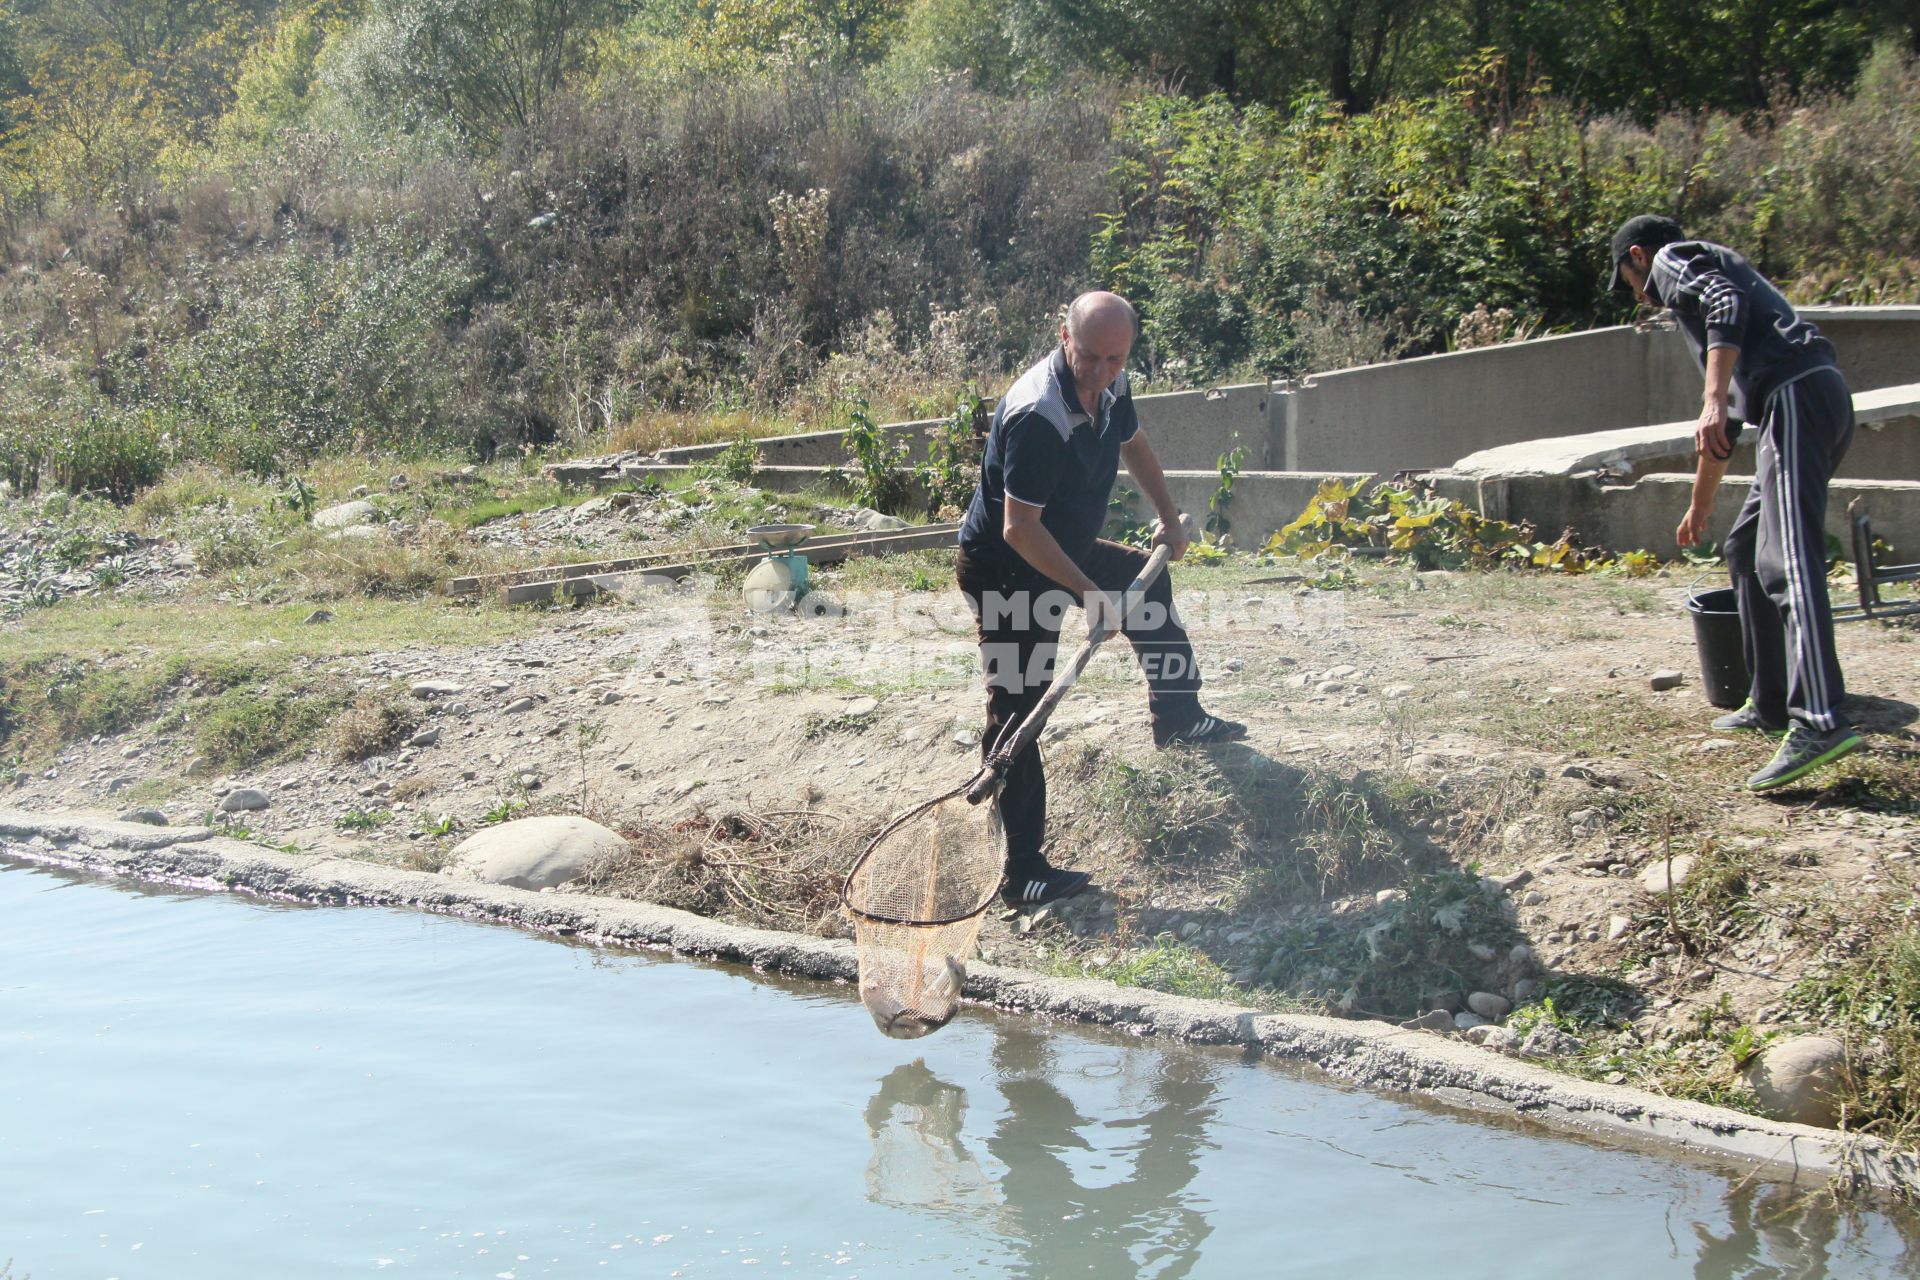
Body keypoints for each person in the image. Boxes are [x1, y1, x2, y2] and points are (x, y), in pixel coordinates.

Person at [955, 290, 1244, 908]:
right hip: (1007, 569)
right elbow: (1019, 530)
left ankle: (1179, 716)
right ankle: (1020, 871)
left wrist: (1169, 518)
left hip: (1062, 543)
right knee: (1020, 706)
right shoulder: (1039, 415)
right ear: (1065, 337)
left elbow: (1134, 445)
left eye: (1115, 360)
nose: (1101, 372)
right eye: (1090, 357)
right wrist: (1091, 595)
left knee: (1145, 581)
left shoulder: (1113, 387)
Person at [1609, 214, 1864, 791]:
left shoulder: (1676, 262)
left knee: (1787, 559)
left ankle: (1819, 719)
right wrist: (1701, 505)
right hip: (1796, 401)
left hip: (1798, 395)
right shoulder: (1704, 314)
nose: (1634, 293)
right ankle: (1771, 700)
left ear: (1639, 257)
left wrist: (1711, 395)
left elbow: (1724, 307)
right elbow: (1720, 430)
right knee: (1746, 546)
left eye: (1626, 278)